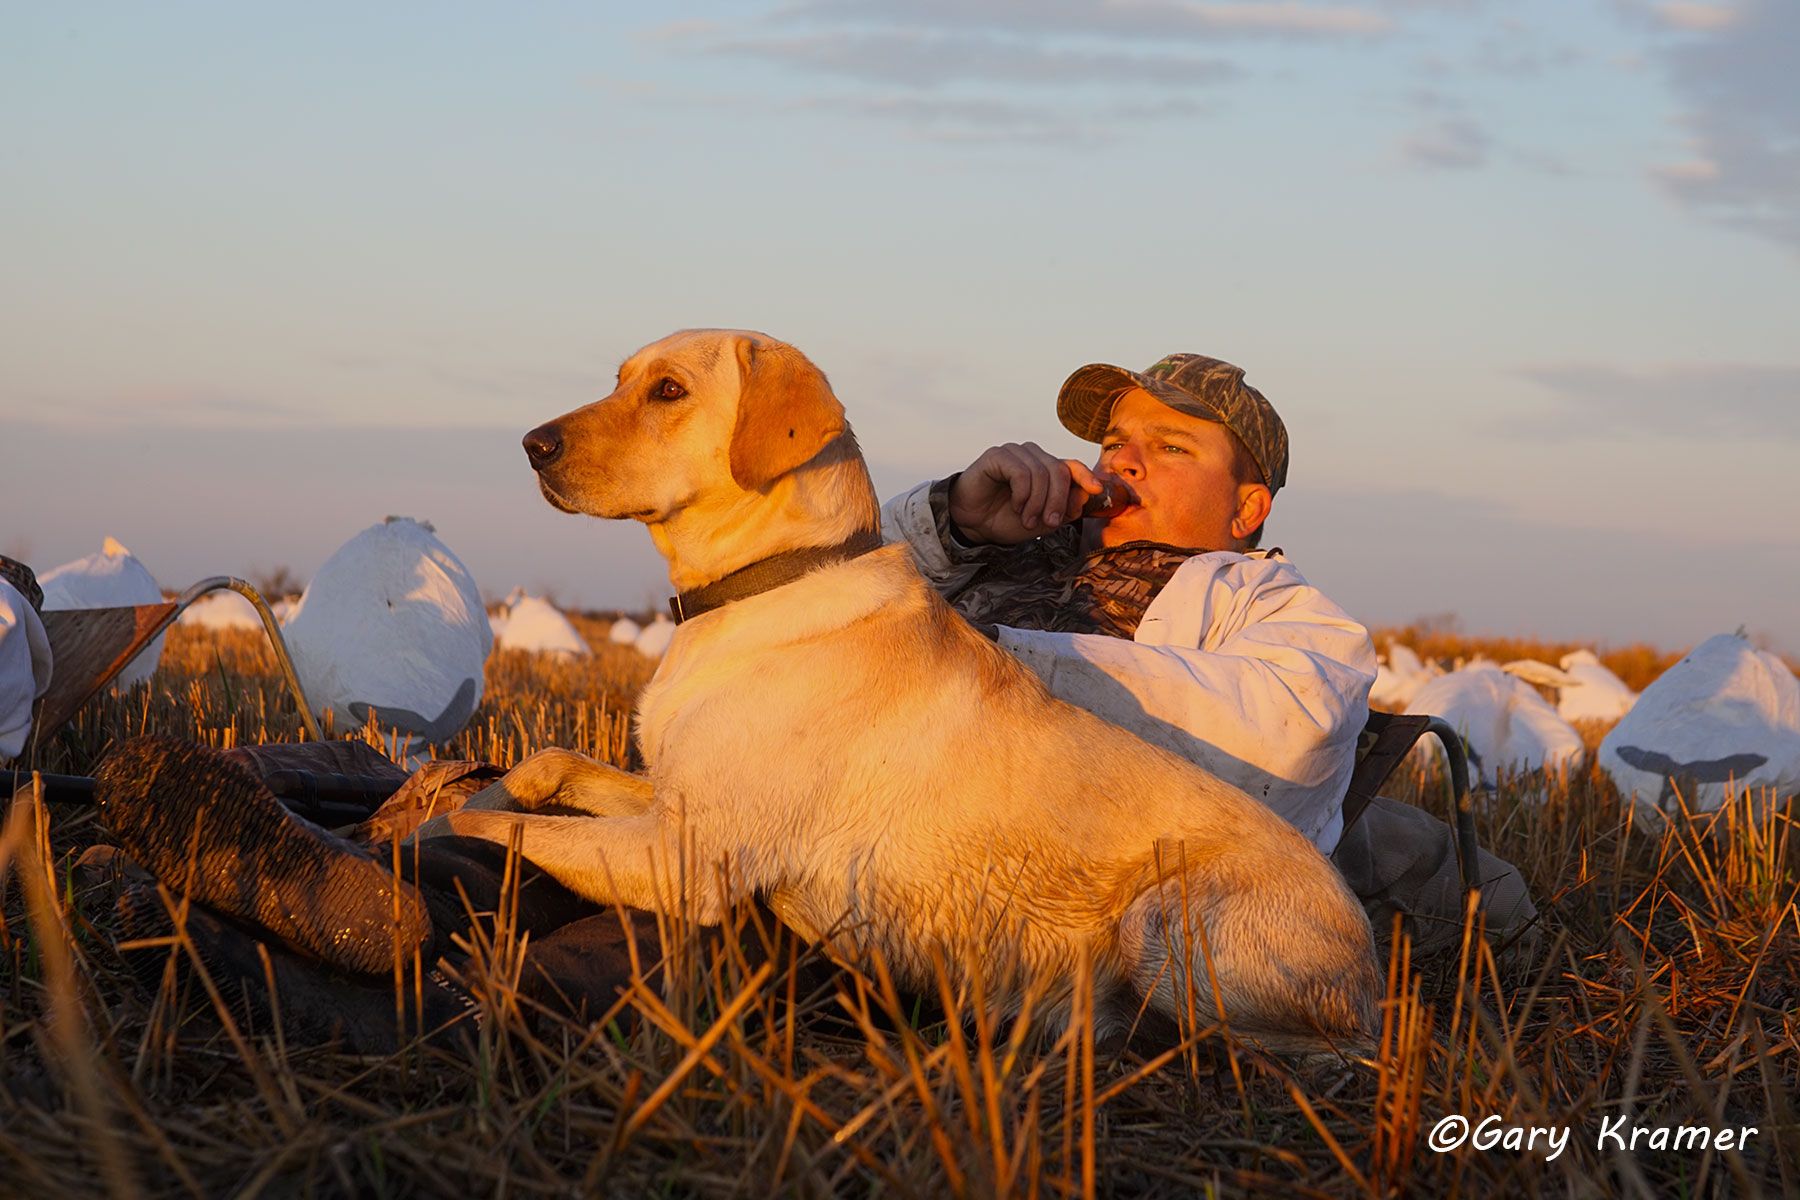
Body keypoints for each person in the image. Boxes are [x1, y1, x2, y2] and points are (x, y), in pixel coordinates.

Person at [881, 352, 1536, 953]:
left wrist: (985, 667)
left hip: (1003, 881)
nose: (1122, 463)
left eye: (1170, 447)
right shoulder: (981, 552)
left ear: (1248, 508)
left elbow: (1282, 736)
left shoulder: (1278, 609)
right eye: (1113, 443)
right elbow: (807, 597)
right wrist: (952, 521)